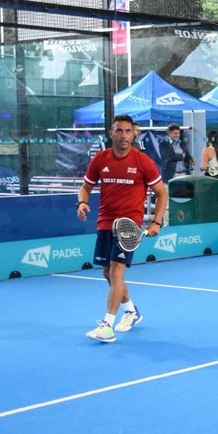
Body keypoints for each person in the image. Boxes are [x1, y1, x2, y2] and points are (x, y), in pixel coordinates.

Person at [76, 114, 168, 343]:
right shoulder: (100, 159)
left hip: (129, 225)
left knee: (117, 271)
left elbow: (161, 192)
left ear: (134, 133)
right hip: (105, 221)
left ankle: (107, 325)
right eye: (119, 131)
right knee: (107, 272)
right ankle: (131, 311)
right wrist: (82, 202)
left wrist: (156, 222)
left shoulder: (142, 161)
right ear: (111, 133)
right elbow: (85, 187)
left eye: (128, 131)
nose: (124, 135)